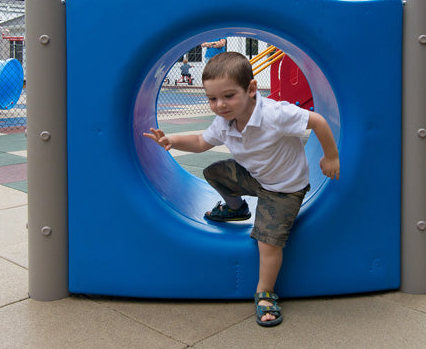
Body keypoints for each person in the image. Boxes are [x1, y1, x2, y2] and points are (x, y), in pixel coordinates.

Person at [144, 52, 340, 327]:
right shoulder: (225, 121)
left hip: (284, 189)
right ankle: (236, 208)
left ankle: (265, 293)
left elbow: (317, 121)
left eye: (228, 96)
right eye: (212, 99)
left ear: (251, 89)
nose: (220, 105)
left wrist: (330, 156)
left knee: (267, 240)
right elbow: (201, 141)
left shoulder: (275, 114)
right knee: (214, 172)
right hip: (256, 177)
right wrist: (172, 139)